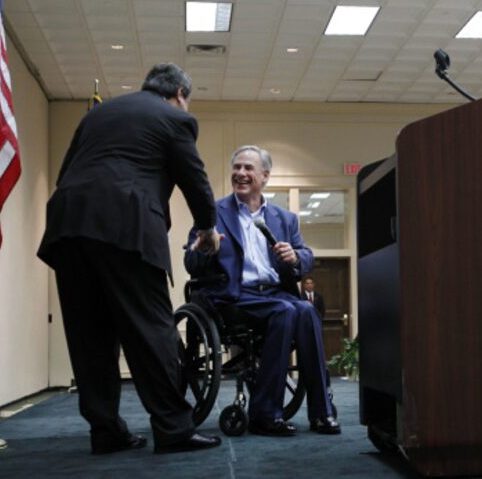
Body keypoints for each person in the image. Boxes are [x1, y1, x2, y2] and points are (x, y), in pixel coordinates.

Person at [37, 63, 222, 454]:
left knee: (89, 335)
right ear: (179, 95)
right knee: (151, 329)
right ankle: (173, 428)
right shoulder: (175, 119)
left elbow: (65, 174)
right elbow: (196, 180)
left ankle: (105, 430)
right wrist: (207, 229)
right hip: (125, 226)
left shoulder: (98, 115)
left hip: (69, 225)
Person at [184, 145, 340, 436]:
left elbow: (306, 255)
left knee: (306, 310)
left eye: (248, 168)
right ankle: (265, 414)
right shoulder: (212, 212)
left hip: (275, 293)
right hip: (234, 296)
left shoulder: (285, 218)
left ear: (265, 176)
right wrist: (203, 250)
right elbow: (190, 262)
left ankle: (322, 412)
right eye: (237, 167)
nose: (240, 173)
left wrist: (294, 257)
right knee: (285, 310)